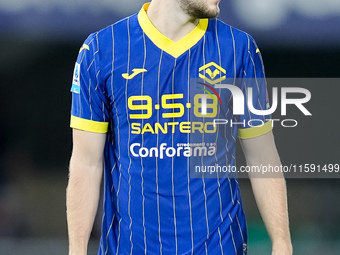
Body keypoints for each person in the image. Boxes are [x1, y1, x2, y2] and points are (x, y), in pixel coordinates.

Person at [66, 0, 293, 254]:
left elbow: (262, 155)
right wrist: (77, 249)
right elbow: (86, 163)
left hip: (219, 246)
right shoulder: (101, 50)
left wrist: (282, 242)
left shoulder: (238, 48)